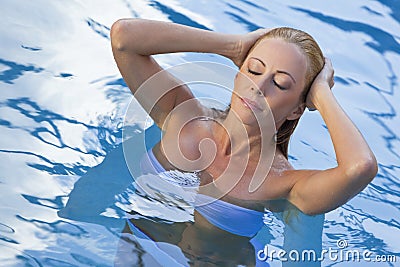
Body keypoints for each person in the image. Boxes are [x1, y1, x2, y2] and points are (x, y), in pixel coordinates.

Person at [110, 18, 377, 216]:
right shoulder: (181, 114)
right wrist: (232, 46)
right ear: (238, 73)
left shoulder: (283, 185)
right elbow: (124, 38)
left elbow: (360, 167)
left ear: (297, 109)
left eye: (281, 84)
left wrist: (320, 94)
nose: (258, 88)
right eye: (254, 69)